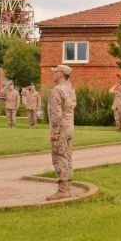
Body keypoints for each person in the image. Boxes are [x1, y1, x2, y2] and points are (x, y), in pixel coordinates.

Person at [47, 65, 77, 200]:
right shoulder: (71, 90)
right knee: (67, 156)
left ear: (61, 74)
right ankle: (68, 186)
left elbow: (56, 114)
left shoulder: (57, 90)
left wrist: (55, 132)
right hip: (69, 127)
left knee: (59, 156)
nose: (53, 74)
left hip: (61, 128)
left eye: (55, 72)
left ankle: (63, 189)